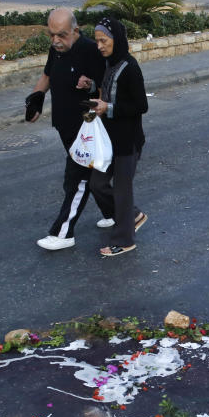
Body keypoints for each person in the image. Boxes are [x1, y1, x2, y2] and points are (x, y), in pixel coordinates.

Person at [26, 7, 113, 251]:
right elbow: (47, 75)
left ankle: (63, 232)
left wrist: (91, 86)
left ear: (75, 31)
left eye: (61, 35)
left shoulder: (89, 50)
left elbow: (104, 89)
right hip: (64, 125)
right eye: (51, 35)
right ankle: (120, 214)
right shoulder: (57, 49)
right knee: (90, 178)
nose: (55, 41)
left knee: (77, 180)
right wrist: (35, 97)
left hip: (84, 127)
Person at [89, 16, 149, 258]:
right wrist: (91, 88)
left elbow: (141, 105)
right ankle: (131, 215)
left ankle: (124, 240)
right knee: (97, 184)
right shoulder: (109, 64)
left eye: (104, 41)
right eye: (97, 41)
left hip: (127, 141)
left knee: (123, 190)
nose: (100, 46)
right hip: (108, 139)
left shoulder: (130, 67)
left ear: (117, 39)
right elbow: (107, 90)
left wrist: (109, 109)